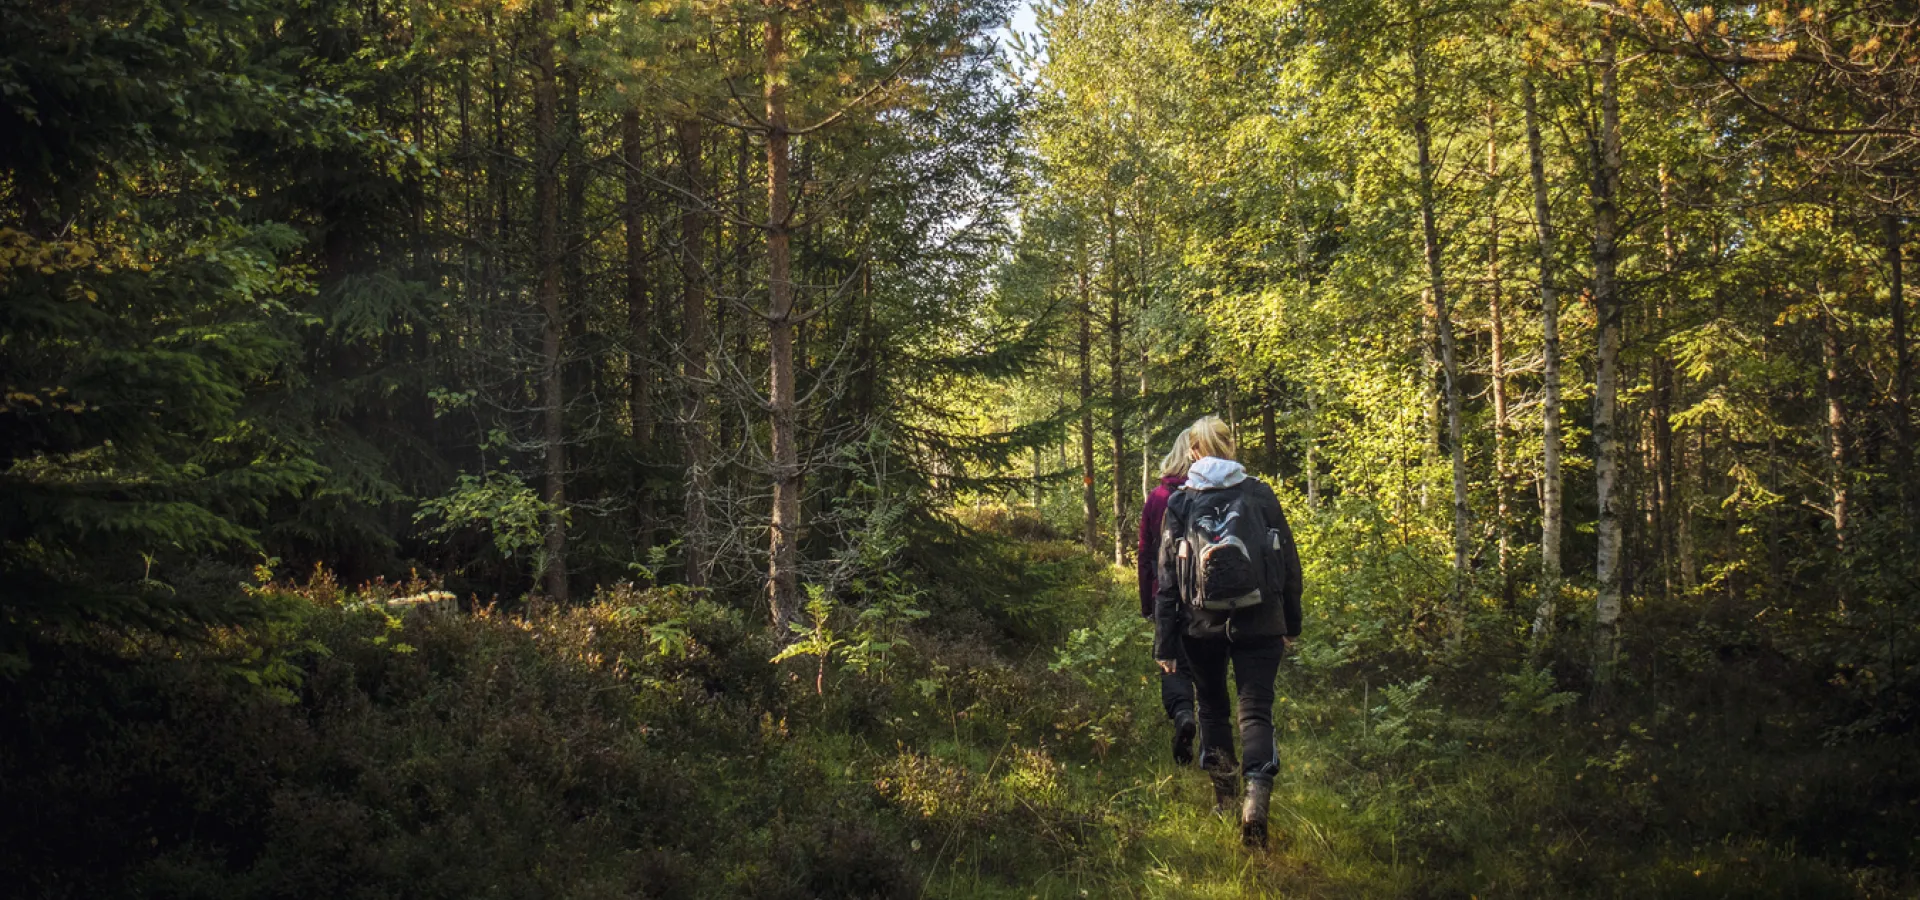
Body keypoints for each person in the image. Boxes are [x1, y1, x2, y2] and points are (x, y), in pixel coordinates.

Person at [1152, 415, 1303, 848]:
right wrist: (1291, 623)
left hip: (1201, 625)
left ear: (1194, 452)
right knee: (1256, 710)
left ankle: (1224, 797)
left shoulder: (1181, 501)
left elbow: (1167, 579)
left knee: (1214, 709)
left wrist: (1166, 643)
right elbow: (1289, 563)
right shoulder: (1259, 493)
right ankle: (1256, 798)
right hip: (1261, 619)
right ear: (1230, 447)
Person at [1138, 431, 1197, 765]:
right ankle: (1206, 724)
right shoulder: (1210, 492)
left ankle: (1183, 713)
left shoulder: (1158, 496)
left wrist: (1149, 601)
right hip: (1206, 596)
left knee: (1172, 662)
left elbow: (1146, 552)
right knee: (1204, 661)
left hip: (1167, 593)